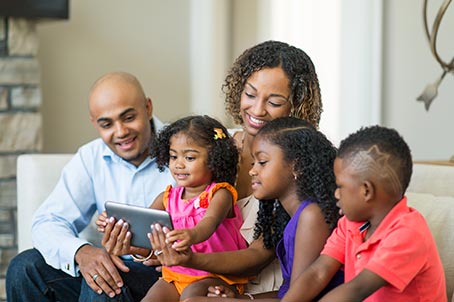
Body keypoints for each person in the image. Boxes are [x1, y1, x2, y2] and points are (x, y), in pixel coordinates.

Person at [101, 40, 324, 296]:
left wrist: (187, 259)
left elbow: (258, 256)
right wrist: (135, 245)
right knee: (105, 278)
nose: (257, 109)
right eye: (250, 95)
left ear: (296, 106)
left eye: (273, 102)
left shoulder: (293, 168)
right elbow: (180, 216)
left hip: (249, 287)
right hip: (187, 273)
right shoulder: (213, 146)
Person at [5, 71, 175, 302]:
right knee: (24, 268)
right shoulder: (90, 157)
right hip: (116, 269)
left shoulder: (183, 147)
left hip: (166, 275)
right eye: (107, 124)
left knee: (102, 281)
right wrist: (82, 252)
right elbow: (48, 221)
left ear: (148, 107)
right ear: (94, 123)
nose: (121, 132)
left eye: (128, 117)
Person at [154, 117, 343, 302]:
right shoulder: (288, 215)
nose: (252, 171)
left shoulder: (311, 215)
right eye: (253, 163)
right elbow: (287, 291)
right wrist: (242, 297)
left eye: (262, 162)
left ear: (296, 166)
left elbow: (299, 297)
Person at [278, 125, 447, 301]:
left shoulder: (408, 233)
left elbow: (357, 289)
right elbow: (318, 272)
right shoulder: (350, 224)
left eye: (340, 186)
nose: (336, 193)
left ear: (366, 190)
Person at [100, 115, 248, 301]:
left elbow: (209, 224)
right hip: (176, 274)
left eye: (189, 157)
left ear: (214, 159)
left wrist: (191, 235)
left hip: (213, 275)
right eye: (173, 156)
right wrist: (114, 224)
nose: (178, 164)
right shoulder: (167, 197)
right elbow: (144, 227)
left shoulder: (219, 193)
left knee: (190, 297)